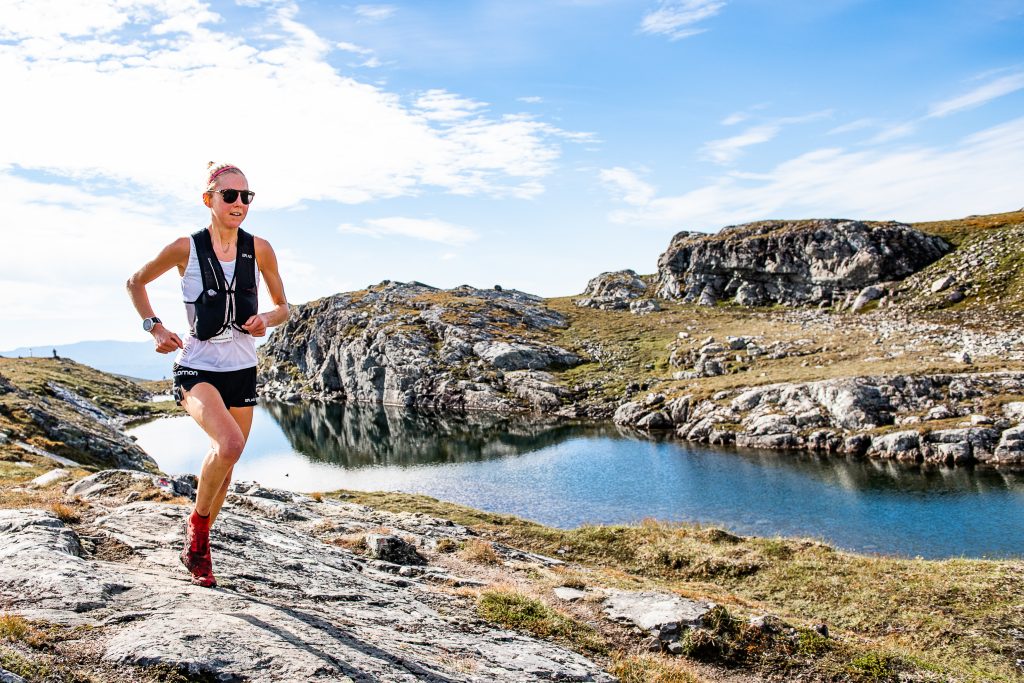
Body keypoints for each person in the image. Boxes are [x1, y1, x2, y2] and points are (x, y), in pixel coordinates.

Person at [126, 162, 289, 587]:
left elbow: (283, 308)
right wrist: (155, 328)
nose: (239, 203)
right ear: (209, 199)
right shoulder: (186, 248)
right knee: (230, 444)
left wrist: (266, 319)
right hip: (196, 366)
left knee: (227, 465)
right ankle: (198, 533)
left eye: (245, 196)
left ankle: (196, 545)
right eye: (229, 195)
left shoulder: (260, 249)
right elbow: (135, 283)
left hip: (242, 369)